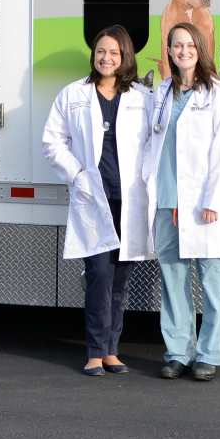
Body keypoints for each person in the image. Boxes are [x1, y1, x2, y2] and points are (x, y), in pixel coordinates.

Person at [41, 24, 151, 376]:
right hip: (94, 198)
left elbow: (153, 144)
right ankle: (93, 351)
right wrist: (77, 175)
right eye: (101, 51)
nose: (106, 58)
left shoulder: (141, 97)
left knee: (120, 278)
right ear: (94, 55)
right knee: (99, 274)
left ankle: (111, 351)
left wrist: (146, 178)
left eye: (114, 53)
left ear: (125, 58)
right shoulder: (73, 94)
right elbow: (52, 141)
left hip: (129, 199)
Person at [136, 20, 220, 381]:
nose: (183, 51)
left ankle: (210, 353)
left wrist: (213, 197)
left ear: (200, 49)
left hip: (202, 204)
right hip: (166, 199)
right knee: (173, 281)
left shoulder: (216, 93)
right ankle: (178, 352)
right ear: (168, 50)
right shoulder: (161, 92)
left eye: (189, 45)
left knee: (212, 281)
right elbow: (152, 145)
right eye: (176, 45)